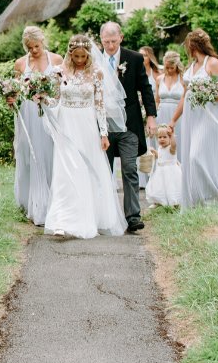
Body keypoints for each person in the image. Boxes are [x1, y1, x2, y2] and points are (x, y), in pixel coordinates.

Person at [37, 35, 127, 239]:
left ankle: (88, 217)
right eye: (75, 56)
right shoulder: (59, 72)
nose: (79, 60)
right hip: (66, 125)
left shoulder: (97, 72)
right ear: (70, 54)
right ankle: (61, 220)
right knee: (65, 171)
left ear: (88, 55)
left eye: (83, 56)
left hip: (86, 126)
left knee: (86, 170)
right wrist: (43, 98)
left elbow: (100, 105)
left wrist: (104, 133)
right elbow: (56, 100)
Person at [168, 29, 218, 208]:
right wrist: (173, 120)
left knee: (196, 156)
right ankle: (197, 198)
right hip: (190, 117)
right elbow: (184, 96)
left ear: (193, 45)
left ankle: (212, 196)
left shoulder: (213, 63)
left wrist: (205, 95)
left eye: (188, 45)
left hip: (208, 116)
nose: (187, 49)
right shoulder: (191, 66)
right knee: (189, 157)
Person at [99, 22, 157, 232]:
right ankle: (105, 215)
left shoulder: (134, 58)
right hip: (103, 126)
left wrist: (151, 116)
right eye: (106, 42)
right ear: (101, 40)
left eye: (114, 41)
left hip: (128, 125)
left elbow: (145, 88)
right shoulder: (94, 60)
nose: (110, 46)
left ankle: (133, 216)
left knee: (130, 170)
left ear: (121, 38)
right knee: (104, 171)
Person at [8, 26, 64, 225]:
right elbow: (14, 90)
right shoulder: (20, 64)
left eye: (36, 46)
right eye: (30, 47)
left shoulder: (56, 60)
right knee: (29, 154)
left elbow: (62, 90)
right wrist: (11, 98)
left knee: (49, 153)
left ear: (43, 42)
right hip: (28, 113)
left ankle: (52, 203)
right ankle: (31, 202)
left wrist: (48, 96)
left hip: (49, 112)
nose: (33, 51)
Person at [136, 46, 162, 187]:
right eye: (140, 55)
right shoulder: (134, 71)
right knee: (142, 144)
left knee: (154, 144)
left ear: (149, 57)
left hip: (153, 112)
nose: (142, 58)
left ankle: (156, 177)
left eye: (145, 56)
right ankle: (142, 179)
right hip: (140, 110)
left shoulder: (157, 74)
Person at [146, 125, 182, 208]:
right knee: (159, 187)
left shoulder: (171, 148)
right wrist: (154, 152)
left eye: (165, 137)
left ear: (169, 138)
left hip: (171, 172)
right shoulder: (160, 148)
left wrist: (172, 135)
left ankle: (174, 202)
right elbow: (161, 157)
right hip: (160, 171)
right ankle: (159, 201)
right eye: (159, 137)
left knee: (171, 187)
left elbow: (174, 145)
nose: (162, 139)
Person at [156, 50, 184, 154]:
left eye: (171, 67)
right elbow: (157, 101)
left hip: (179, 115)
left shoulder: (183, 79)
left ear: (177, 65)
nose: (169, 70)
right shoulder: (159, 79)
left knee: (178, 142)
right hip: (161, 114)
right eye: (166, 67)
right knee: (161, 142)